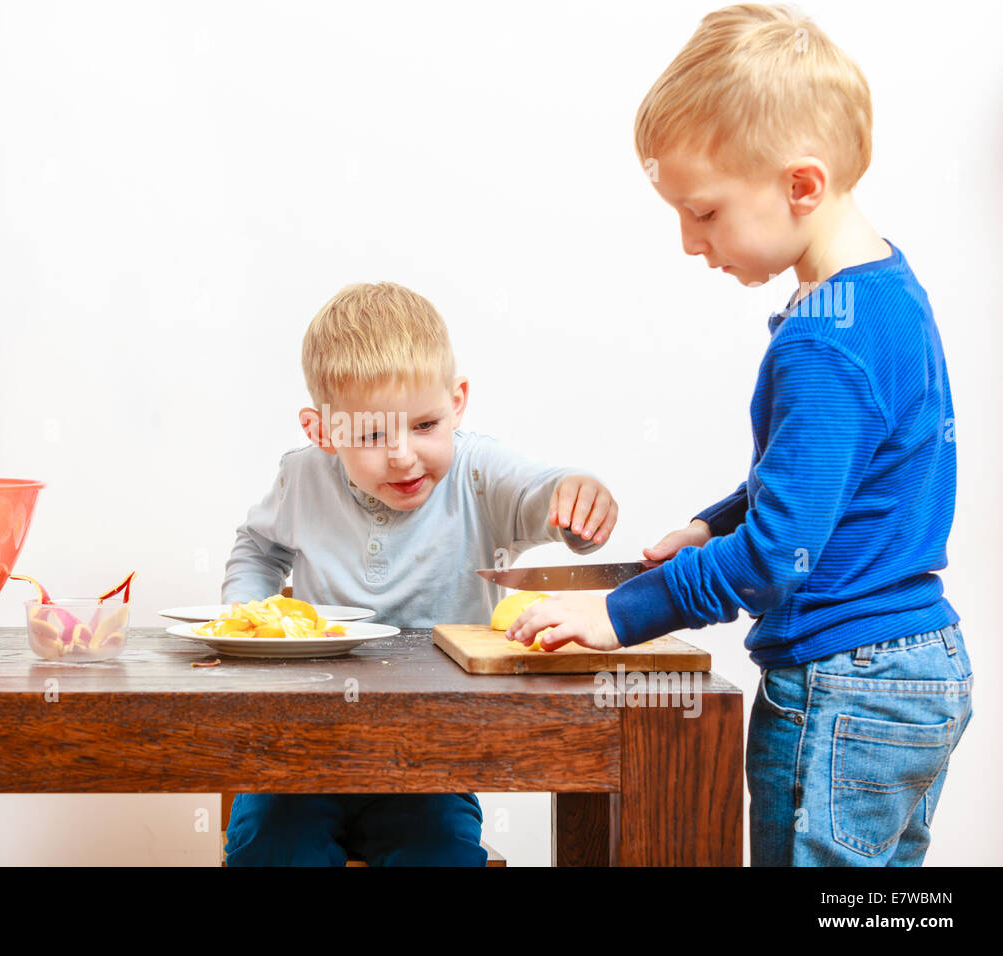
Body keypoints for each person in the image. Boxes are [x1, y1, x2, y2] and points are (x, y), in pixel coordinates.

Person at [508, 3, 972, 866]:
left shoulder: (822, 344)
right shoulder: (884, 297)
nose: (690, 242)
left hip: (843, 685)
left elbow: (777, 558)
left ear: (801, 185)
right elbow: (836, 483)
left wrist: (621, 613)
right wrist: (717, 523)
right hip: (916, 668)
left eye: (706, 213)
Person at [222, 280, 618, 865]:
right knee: (267, 846)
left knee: (440, 853)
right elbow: (258, 546)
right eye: (372, 434)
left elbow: (535, 491)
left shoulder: (478, 472)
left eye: (425, 426)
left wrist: (573, 500)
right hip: (303, 746)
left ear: (457, 400)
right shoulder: (302, 478)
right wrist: (246, 612)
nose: (403, 454)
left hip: (433, 752)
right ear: (322, 431)